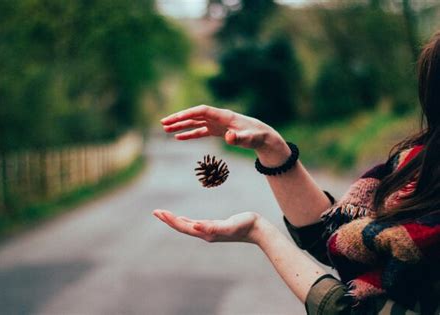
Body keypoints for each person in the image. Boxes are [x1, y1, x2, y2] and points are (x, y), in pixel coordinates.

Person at [153, 32, 440, 314]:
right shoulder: (418, 164)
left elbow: (354, 310)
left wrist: (260, 232)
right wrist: (271, 146)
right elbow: (332, 240)